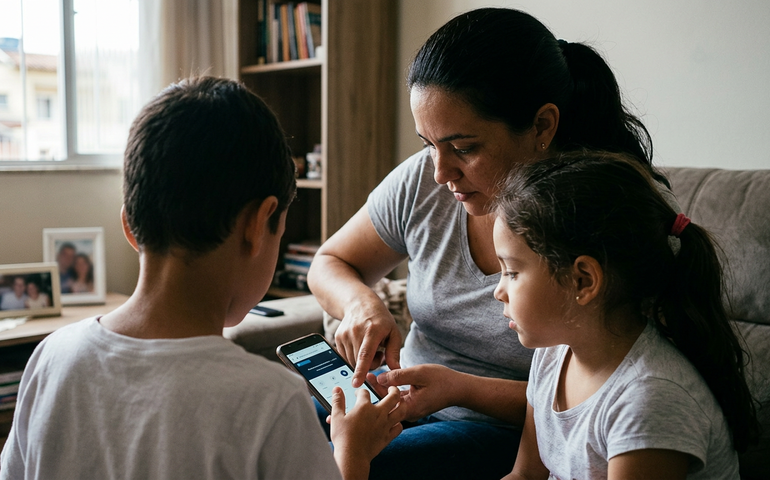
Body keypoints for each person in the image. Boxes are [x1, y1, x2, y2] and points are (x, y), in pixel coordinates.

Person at [307, 7, 674, 479]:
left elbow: (612, 394)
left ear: (542, 126)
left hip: (511, 431)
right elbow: (331, 260)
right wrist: (361, 304)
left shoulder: (608, 220)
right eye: (427, 144)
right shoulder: (428, 180)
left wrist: (460, 389)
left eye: (464, 148)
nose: (440, 174)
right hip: (404, 397)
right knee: (276, 428)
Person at [0, 76, 403, 480]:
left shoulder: (51, 357)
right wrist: (352, 454)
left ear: (129, 226)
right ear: (258, 226)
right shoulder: (270, 400)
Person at [492, 152, 758, 479]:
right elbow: (525, 475)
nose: (498, 290)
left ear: (583, 280)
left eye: (512, 272)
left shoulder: (649, 399)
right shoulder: (552, 355)